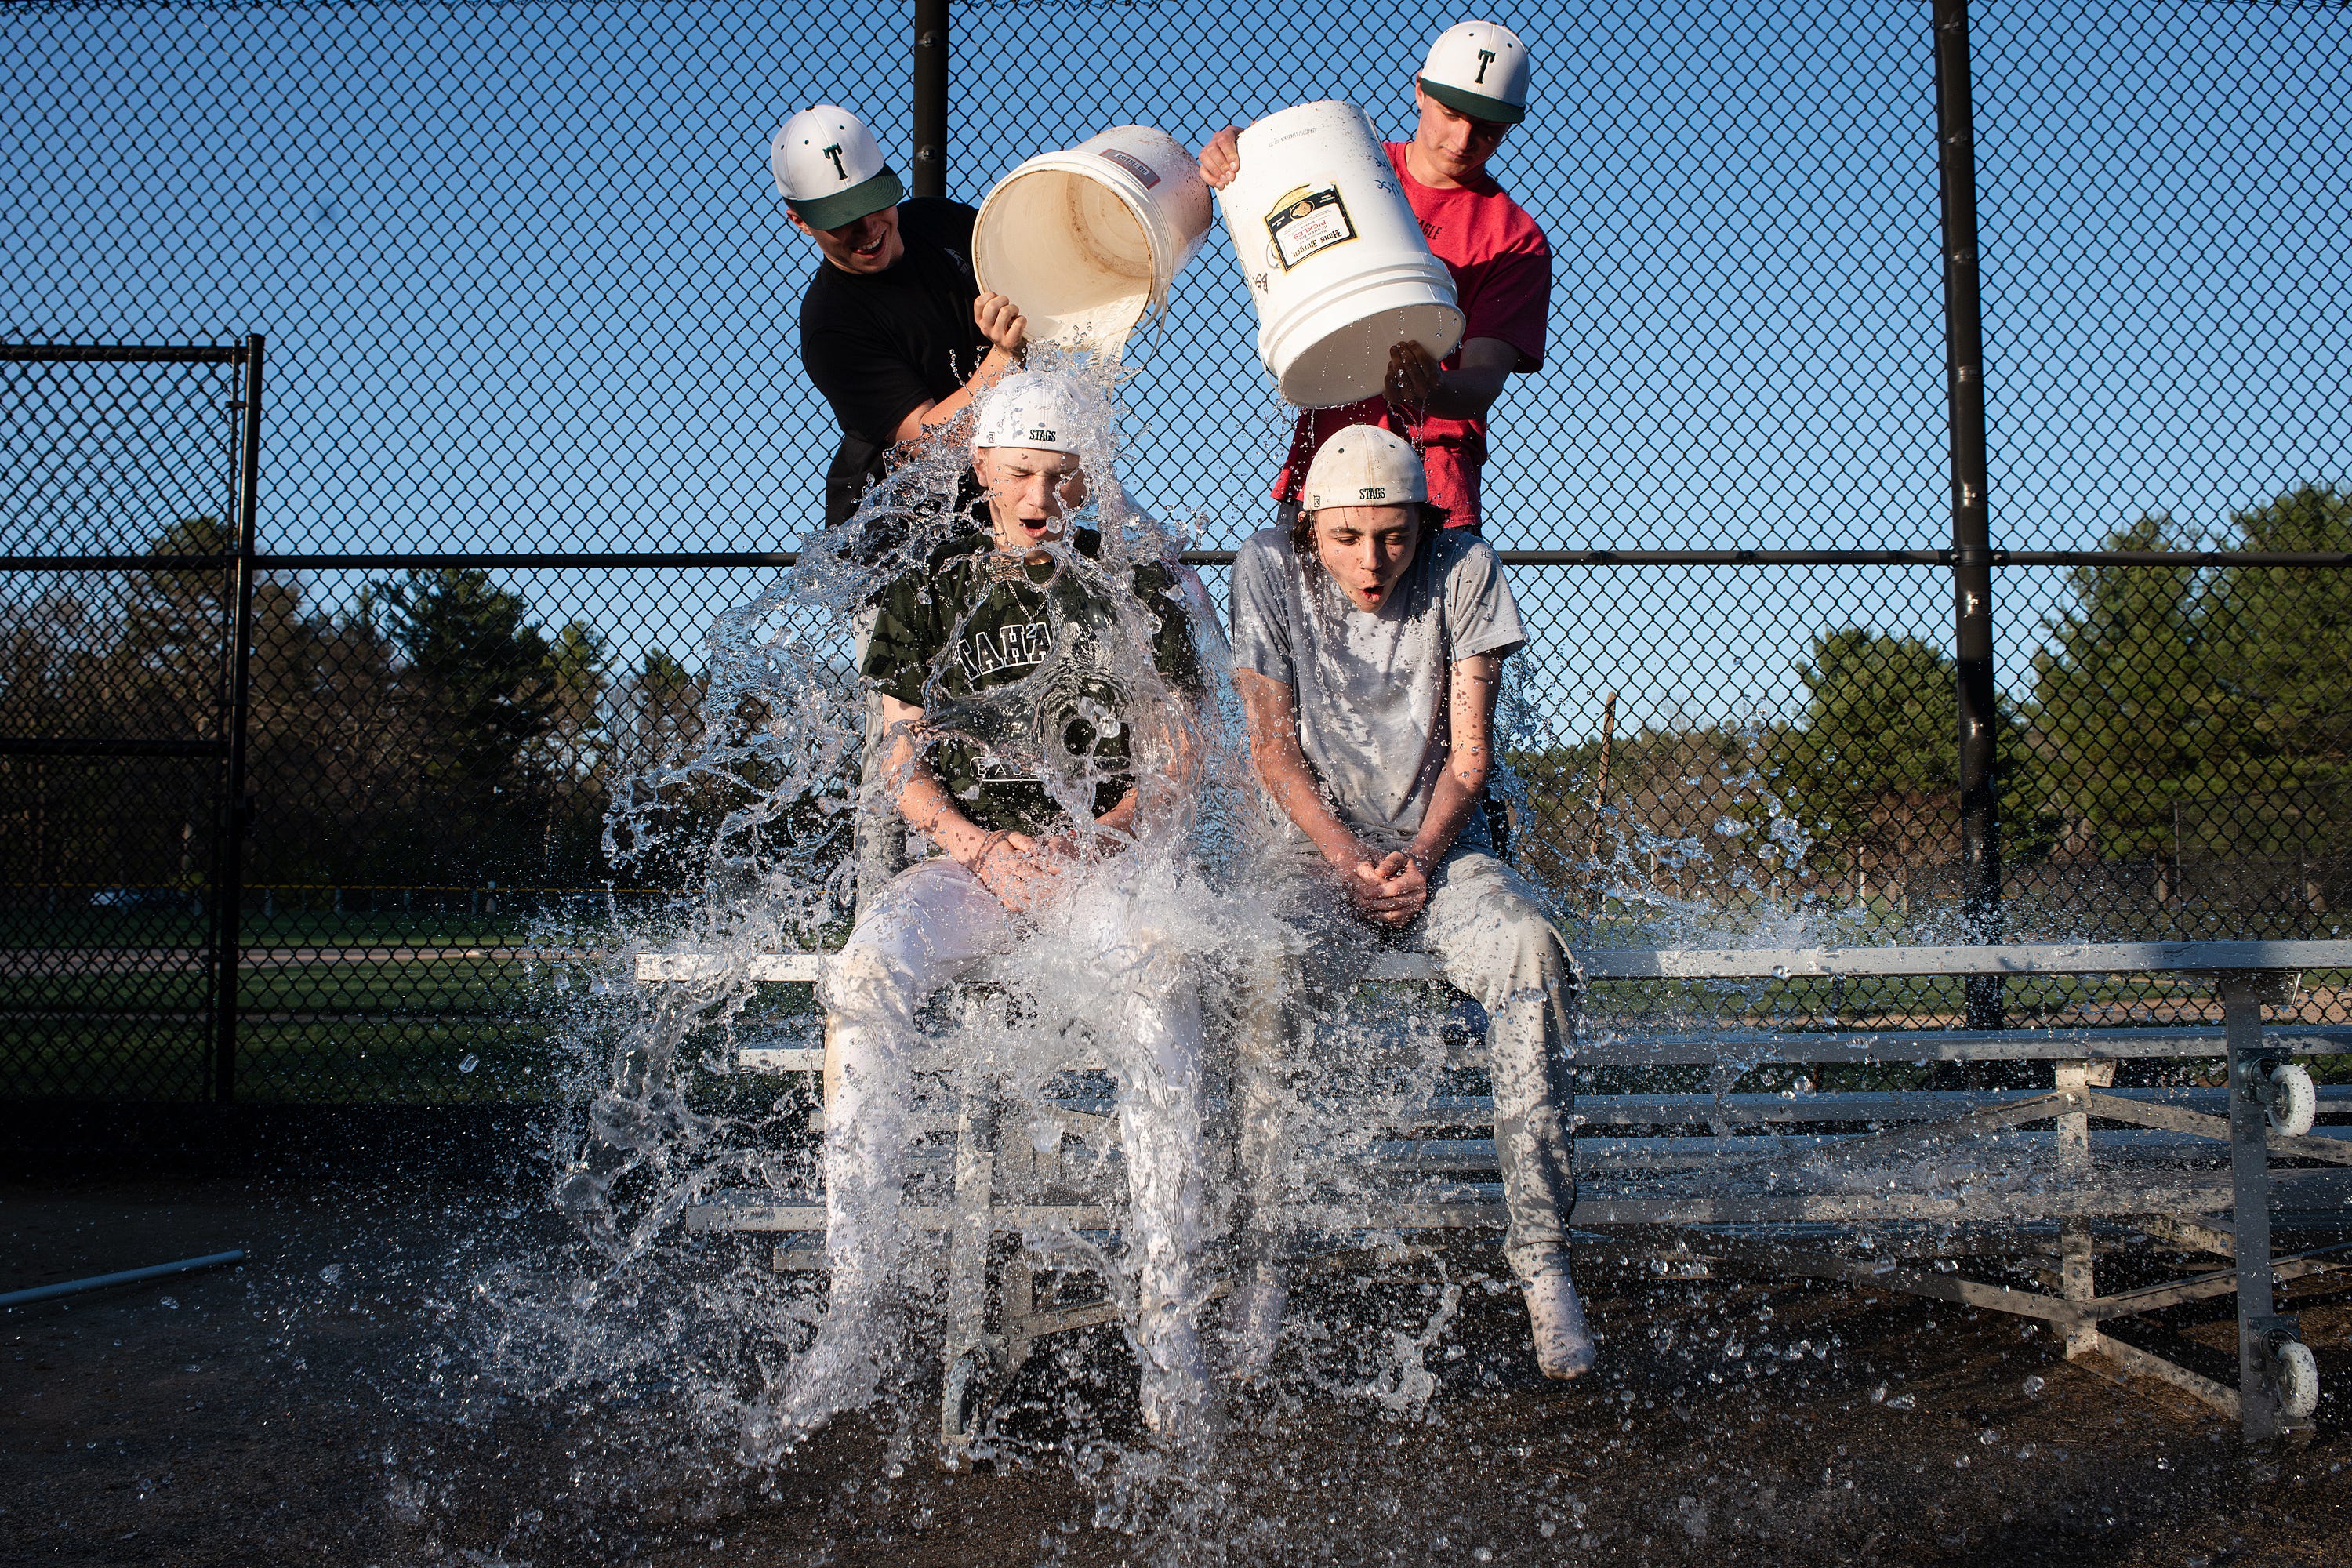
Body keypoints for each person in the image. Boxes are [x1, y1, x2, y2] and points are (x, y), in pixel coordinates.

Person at [783, 370, 1215, 1439]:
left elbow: (1176, 766)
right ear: (981, 468)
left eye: (1063, 476)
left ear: (1087, 480)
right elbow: (902, 761)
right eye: (1021, 470)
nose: (1039, 494)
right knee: (866, 971)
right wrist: (981, 848)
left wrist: (1091, 841)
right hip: (971, 867)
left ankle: (1170, 1327)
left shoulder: (1133, 585)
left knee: (1165, 979)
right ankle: (855, 1306)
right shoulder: (929, 584)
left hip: (1093, 866)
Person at [1223, 424, 1592, 1381]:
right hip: (1314, 854)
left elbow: (1470, 755)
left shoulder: (1465, 564)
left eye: (1394, 535)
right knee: (1262, 975)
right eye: (1347, 537)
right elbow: (1271, 748)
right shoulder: (1266, 563)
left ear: (1424, 522)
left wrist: (1421, 857)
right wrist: (1346, 857)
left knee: (1527, 952)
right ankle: (1263, 1264)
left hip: (1443, 845)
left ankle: (1543, 1257)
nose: (1373, 558)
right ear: (1311, 528)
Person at [1199, 20, 1551, 536]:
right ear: (1419, 91)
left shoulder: (1512, 236)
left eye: (1488, 127)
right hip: (1326, 462)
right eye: (1450, 113)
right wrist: (1238, 152)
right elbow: (1262, 181)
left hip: (1432, 482)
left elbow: (1481, 383)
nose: (1463, 139)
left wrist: (1431, 387)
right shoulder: (1350, 163)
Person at [772, 104, 1029, 529]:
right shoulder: (832, 325)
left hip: (1008, 486)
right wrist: (1003, 358)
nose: (869, 228)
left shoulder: (938, 222)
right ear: (800, 221)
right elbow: (930, 447)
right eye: (843, 220)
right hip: (902, 526)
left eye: (873, 203)